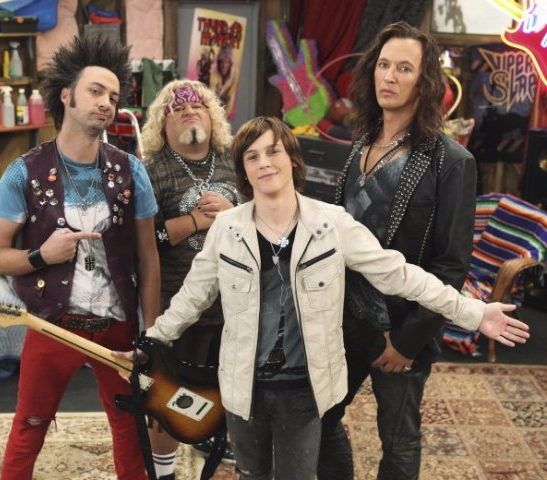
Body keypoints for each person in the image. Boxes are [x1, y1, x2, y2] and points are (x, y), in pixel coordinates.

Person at [116, 116, 528, 480]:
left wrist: (474, 313)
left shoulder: (332, 224)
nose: (264, 163)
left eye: (273, 152)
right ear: (243, 171)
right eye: (252, 156)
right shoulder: (226, 228)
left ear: (293, 160)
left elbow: (400, 275)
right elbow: (192, 297)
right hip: (243, 387)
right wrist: (153, 341)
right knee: (251, 474)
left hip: (303, 389)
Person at [0, 35, 160, 480]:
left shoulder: (131, 170)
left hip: (118, 325)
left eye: (114, 97)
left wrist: (152, 335)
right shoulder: (23, 172)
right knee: (29, 427)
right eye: (96, 91)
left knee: (130, 427)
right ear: (66, 95)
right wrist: (41, 255)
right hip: (52, 324)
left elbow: (148, 259)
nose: (106, 103)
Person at [317, 21, 479, 480]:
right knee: (320, 418)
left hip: (402, 324)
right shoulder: (360, 145)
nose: (389, 76)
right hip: (342, 316)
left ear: (424, 82)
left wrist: (408, 340)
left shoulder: (452, 162)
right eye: (383, 65)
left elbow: (452, 264)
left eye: (404, 68)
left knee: (399, 437)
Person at [140, 78, 240, 477]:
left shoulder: (238, 159)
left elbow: (269, 218)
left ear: (213, 117)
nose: (188, 110)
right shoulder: (151, 170)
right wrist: (195, 221)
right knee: (168, 400)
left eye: (198, 105)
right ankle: (163, 473)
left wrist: (232, 213)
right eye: (177, 108)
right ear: (162, 125)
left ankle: (215, 443)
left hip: (237, 306)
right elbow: (143, 241)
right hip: (178, 309)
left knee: (233, 394)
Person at [210, 45, 239, 114]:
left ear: (230, 64)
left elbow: (231, 96)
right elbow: (212, 93)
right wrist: (218, 92)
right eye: (222, 61)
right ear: (219, 62)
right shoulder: (214, 71)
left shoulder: (235, 73)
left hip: (225, 110)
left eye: (227, 62)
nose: (224, 65)